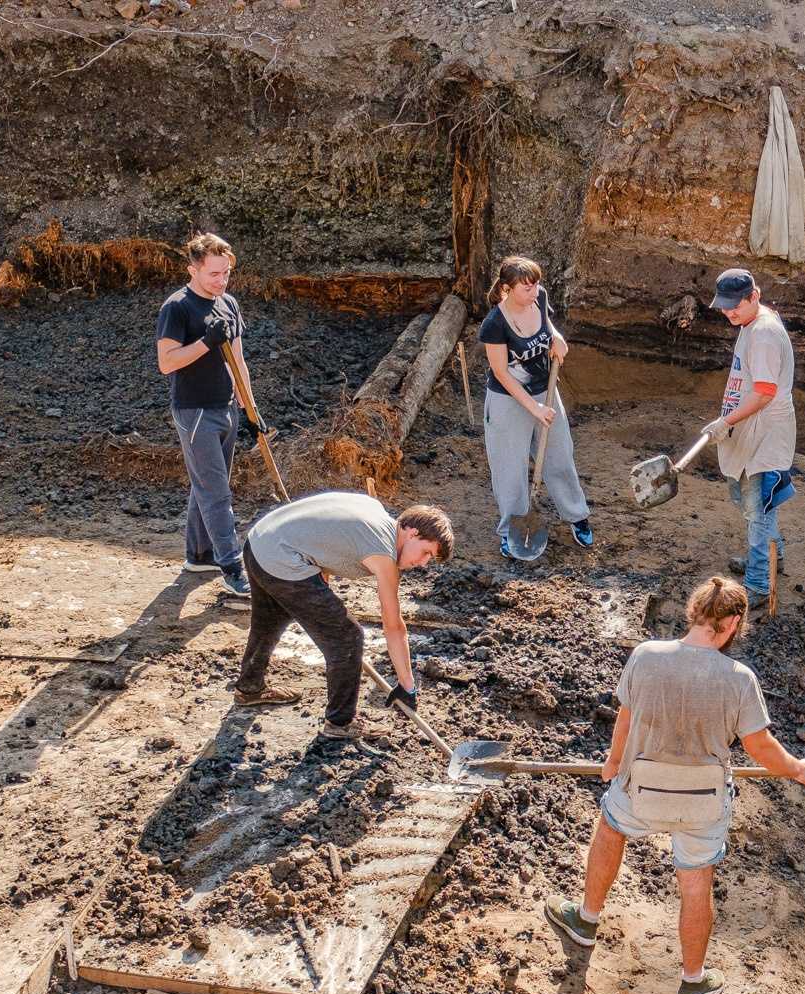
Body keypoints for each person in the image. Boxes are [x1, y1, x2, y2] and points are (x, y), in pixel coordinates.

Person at [543, 576, 805, 994]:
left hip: (640, 789)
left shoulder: (646, 656)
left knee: (611, 830)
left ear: (693, 613)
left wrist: (614, 763)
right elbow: (759, 747)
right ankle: (693, 981)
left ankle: (586, 919)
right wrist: (796, 768)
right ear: (731, 623)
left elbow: (625, 719)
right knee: (695, 884)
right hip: (702, 804)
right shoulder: (739, 678)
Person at [232, 492, 452, 741]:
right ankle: (340, 722)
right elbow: (394, 626)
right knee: (347, 637)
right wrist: (407, 686)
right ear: (412, 532)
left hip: (260, 544)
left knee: (271, 617)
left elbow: (323, 545)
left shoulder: (374, 509)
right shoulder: (383, 554)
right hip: (282, 557)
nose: (422, 564)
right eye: (426, 553)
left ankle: (249, 688)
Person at [155, 232, 260, 597]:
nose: (221, 280)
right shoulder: (177, 307)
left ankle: (199, 555)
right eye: (214, 274)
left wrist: (249, 408)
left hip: (226, 405)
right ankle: (232, 566)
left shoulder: (228, 303)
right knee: (216, 491)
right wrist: (204, 343)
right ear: (193, 269)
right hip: (194, 409)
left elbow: (239, 361)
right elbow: (166, 363)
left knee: (209, 483)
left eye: (226, 273)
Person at [478, 256, 589, 560]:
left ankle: (577, 515)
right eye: (526, 288)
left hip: (545, 389)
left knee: (559, 454)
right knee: (509, 468)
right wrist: (535, 408)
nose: (534, 292)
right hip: (508, 400)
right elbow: (502, 373)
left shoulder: (538, 298)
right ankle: (511, 528)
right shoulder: (495, 325)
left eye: (536, 285)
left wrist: (556, 337)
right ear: (507, 289)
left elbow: (547, 323)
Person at [706, 269, 797, 608]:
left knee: (758, 508)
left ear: (754, 295)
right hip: (750, 427)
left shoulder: (764, 335)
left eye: (736, 306)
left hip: (765, 433)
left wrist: (724, 421)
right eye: (725, 306)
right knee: (748, 501)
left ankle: (759, 583)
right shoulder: (752, 323)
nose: (730, 312)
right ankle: (775, 558)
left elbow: (763, 393)